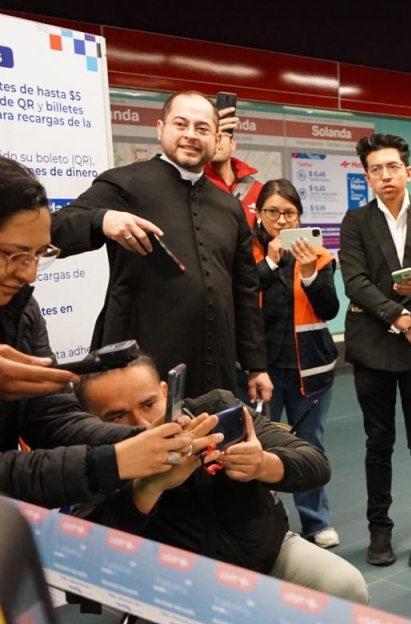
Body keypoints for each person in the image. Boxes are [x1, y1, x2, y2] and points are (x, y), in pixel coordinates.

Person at [74, 355, 368, 624]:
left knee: (344, 586)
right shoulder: (91, 458)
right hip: (177, 594)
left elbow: (315, 463)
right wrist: (148, 487)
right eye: (116, 416)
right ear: (91, 420)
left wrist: (264, 464)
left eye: (148, 405)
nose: (142, 424)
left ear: (165, 391)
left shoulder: (216, 411)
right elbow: (87, 551)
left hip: (258, 555)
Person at [0, 157, 198, 508]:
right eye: (12, 255)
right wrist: (113, 462)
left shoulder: (22, 313)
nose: (29, 274)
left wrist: (147, 437)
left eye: (37, 255)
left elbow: (52, 418)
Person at [51, 90, 271, 402]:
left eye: (202, 128)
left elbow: (245, 292)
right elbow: (51, 230)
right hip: (140, 369)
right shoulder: (124, 184)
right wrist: (102, 219)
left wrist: (256, 366)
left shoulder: (229, 207)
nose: (191, 135)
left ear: (217, 138)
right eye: (181, 124)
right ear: (160, 129)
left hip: (215, 367)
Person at [340, 133, 411, 568]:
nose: (384, 176)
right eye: (375, 170)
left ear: (408, 171)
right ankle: (379, 529)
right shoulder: (355, 221)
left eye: (392, 167)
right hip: (375, 346)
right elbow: (355, 282)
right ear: (367, 176)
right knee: (377, 443)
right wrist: (404, 321)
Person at [251, 179, 341, 549]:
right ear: (259, 215)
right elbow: (240, 296)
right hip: (259, 370)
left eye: (290, 213)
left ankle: (317, 522)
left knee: (308, 444)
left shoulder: (317, 255)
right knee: (258, 446)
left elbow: (329, 309)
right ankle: (264, 523)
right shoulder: (247, 253)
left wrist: (308, 274)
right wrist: (271, 261)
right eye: (273, 212)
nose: (281, 221)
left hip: (310, 368)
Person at [204, 122, 263, 232]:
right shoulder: (193, 185)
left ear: (233, 143)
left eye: (222, 134)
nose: (217, 140)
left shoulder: (259, 190)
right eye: (212, 135)